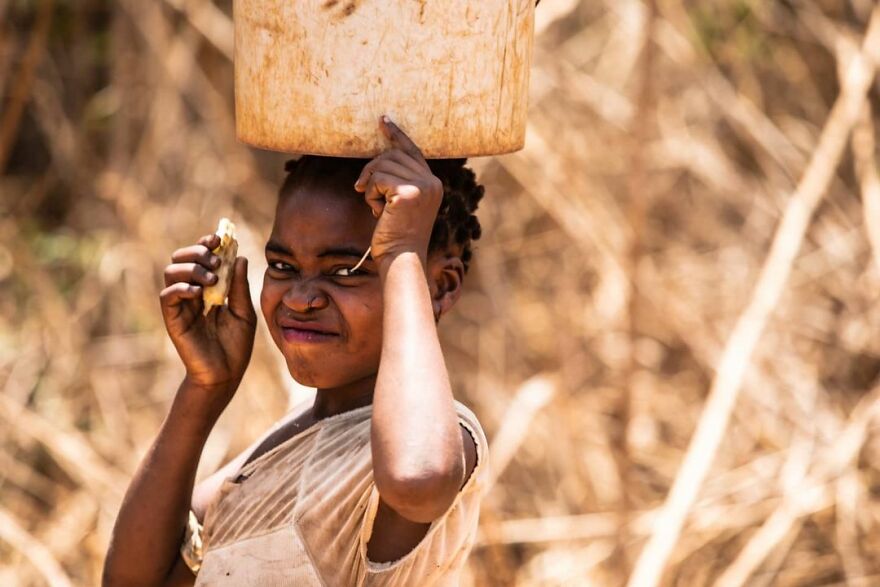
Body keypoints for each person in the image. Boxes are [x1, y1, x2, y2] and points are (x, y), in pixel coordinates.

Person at [102, 117, 489, 586]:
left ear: (439, 286)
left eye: (346, 272)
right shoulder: (295, 434)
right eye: (283, 266)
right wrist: (204, 389)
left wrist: (403, 247)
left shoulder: (437, 438)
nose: (300, 298)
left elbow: (417, 479)